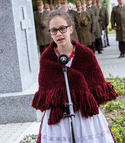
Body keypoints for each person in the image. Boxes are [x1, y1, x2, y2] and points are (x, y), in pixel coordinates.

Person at [32, 9, 117, 143]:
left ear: (71, 29)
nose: (58, 34)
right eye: (54, 30)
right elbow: (46, 92)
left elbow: (97, 89)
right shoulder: (46, 58)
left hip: (85, 117)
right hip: (58, 119)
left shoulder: (86, 55)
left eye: (62, 28)